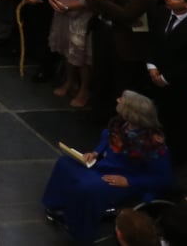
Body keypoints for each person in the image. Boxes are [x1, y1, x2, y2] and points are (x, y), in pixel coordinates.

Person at [40, 91, 173, 242]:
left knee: (86, 187)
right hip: (103, 167)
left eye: (121, 99)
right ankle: (58, 206)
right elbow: (107, 139)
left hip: (124, 180)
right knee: (65, 164)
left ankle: (79, 229)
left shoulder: (153, 144)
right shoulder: (120, 125)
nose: (117, 100)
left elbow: (163, 178)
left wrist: (129, 182)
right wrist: (96, 153)